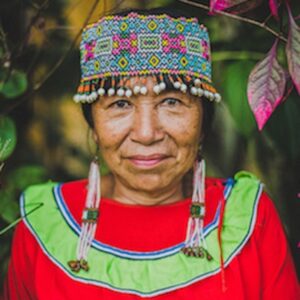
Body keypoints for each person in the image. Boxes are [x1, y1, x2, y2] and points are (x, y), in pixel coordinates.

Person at [3, 7, 299, 300]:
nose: (146, 133)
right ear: (93, 125)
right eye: (120, 104)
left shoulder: (248, 216)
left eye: (171, 101)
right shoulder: (43, 223)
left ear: (203, 124)